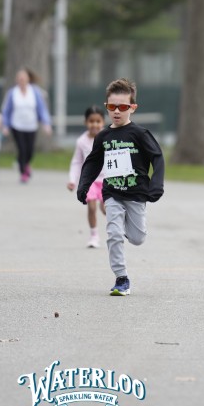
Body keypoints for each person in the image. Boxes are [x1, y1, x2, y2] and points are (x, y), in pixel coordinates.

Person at [76, 78, 164, 296]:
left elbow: (157, 157)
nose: (117, 111)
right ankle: (121, 278)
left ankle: (123, 226)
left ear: (132, 108)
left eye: (123, 107)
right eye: (112, 106)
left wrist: (156, 184)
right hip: (112, 193)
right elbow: (93, 162)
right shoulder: (103, 136)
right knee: (114, 234)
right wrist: (84, 185)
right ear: (106, 106)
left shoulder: (140, 134)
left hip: (136, 194)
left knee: (138, 238)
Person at [1, 67, 52, 183]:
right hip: (17, 126)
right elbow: (6, 110)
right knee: (22, 149)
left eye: (23, 78)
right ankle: (23, 172)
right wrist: (5, 126)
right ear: (16, 80)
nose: (22, 80)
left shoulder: (35, 92)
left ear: (28, 79)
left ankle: (26, 164)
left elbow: (42, 109)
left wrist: (46, 124)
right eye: (19, 78)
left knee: (30, 151)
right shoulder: (12, 93)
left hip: (31, 126)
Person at [67, 105, 107, 248]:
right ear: (86, 122)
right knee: (91, 207)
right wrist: (72, 180)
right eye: (91, 121)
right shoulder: (82, 141)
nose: (94, 124)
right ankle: (94, 236)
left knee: (106, 208)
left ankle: (116, 230)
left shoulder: (108, 137)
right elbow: (77, 162)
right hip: (90, 180)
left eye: (98, 121)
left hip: (107, 179)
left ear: (103, 122)